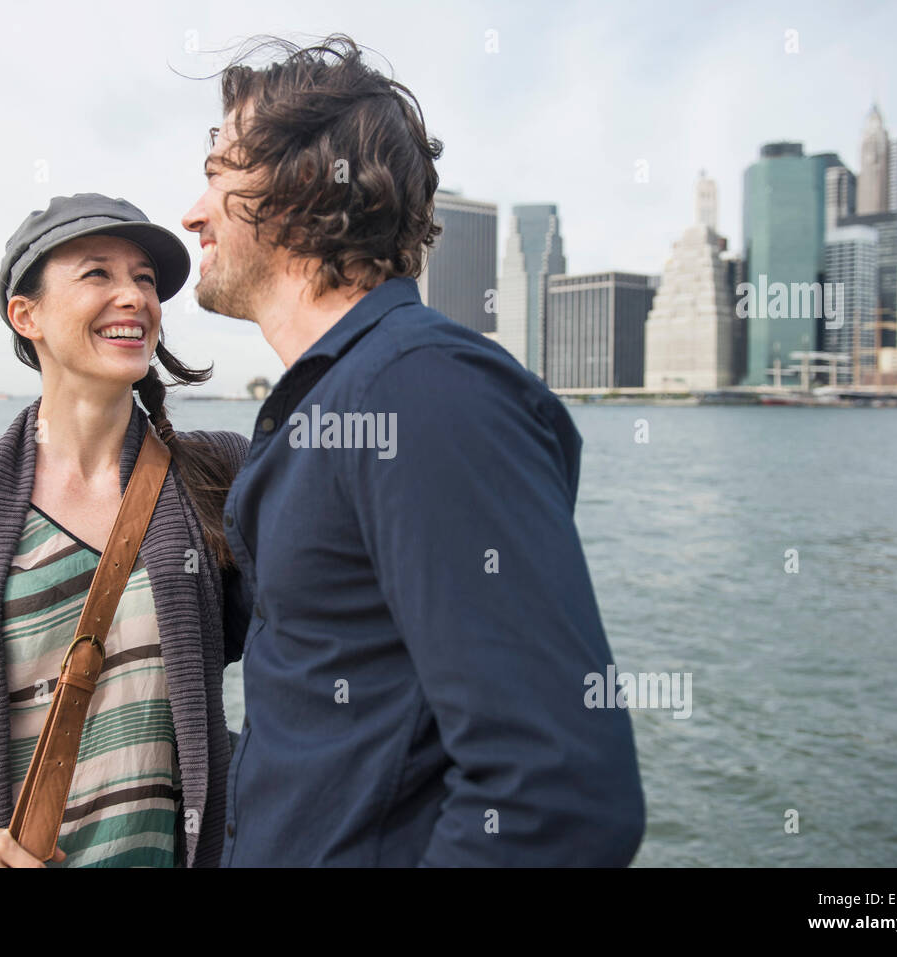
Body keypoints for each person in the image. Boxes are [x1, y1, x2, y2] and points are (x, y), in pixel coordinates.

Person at [181, 36, 646, 866]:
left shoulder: (420, 392)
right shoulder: (328, 403)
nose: (192, 212)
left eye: (218, 172)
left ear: (296, 187)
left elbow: (559, 795)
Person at [0, 193, 249, 867]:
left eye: (145, 280)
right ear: (25, 314)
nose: (134, 297)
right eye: (98, 274)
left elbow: (304, 633)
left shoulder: (218, 473)